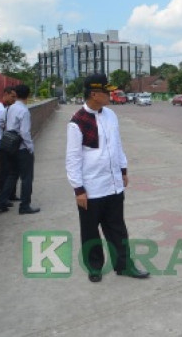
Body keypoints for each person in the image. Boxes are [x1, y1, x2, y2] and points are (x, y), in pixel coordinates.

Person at [66, 74, 150, 282]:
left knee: (117, 229)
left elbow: (117, 145)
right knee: (90, 231)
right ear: (94, 94)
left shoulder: (111, 115)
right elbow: (73, 159)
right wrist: (78, 189)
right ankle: (94, 267)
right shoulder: (77, 122)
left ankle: (123, 265)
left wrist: (123, 170)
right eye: (106, 92)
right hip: (91, 187)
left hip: (113, 185)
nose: (110, 95)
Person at [0, 84, 40, 214]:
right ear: (28, 95)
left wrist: (1, 137)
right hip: (22, 148)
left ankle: (2, 200)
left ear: (16, 94)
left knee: (12, 174)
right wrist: (30, 147)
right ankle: (24, 206)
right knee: (26, 177)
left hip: (10, 147)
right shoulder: (24, 111)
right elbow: (25, 132)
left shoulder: (10, 108)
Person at [0, 86, 19, 206]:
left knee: (13, 169)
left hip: (11, 143)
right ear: (5, 94)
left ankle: (11, 194)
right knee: (5, 170)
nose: (14, 99)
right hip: (1, 144)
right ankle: (4, 196)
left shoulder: (12, 108)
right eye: (12, 97)